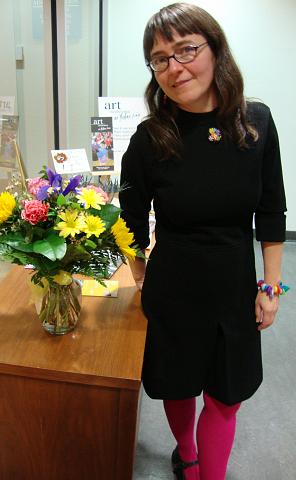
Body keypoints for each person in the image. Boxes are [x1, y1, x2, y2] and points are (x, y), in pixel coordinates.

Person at [119, 3, 288, 480]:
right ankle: (187, 453)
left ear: (216, 51)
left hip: (233, 282)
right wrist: (141, 278)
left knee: (225, 396)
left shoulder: (256, 123)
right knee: (178, 384)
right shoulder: (150, 139)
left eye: (186, 50)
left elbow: (271, 211)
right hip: (173, 283)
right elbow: (129, 220)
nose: (175, 68)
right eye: (159, 59)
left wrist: (271, 289)